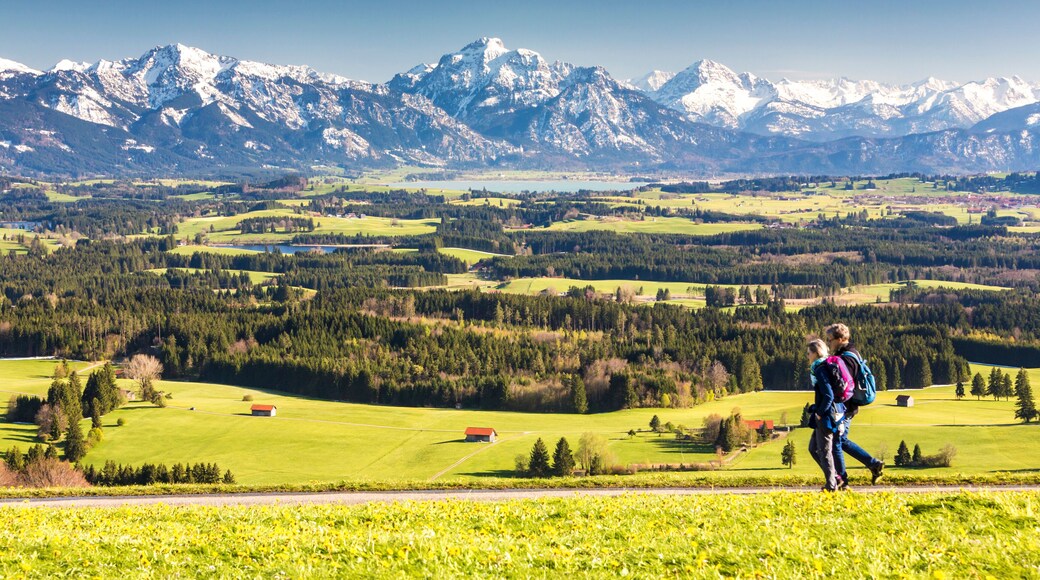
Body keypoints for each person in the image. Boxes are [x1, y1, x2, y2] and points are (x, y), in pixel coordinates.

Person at [825, 323, 885, 486]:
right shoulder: (853, 353)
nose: (828, 343)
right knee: (841, 440)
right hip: (849, 406)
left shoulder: (846, 357)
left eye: (830, 340)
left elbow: (845, 386)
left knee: (837, 441)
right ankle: (872, 464)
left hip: (845, 407)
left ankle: (842, 480)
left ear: (839, 339)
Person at [806, 338, 845, 491]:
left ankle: (831, 486)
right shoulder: (823, 367)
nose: (807, 356)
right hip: (827, 413)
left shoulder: (820, 369)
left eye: (809, 353)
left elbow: (828, 394)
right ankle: (834, 477)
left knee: (824, 451)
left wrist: (820, 413)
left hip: (826, 416)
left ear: (816, 353)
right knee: (813, 448)